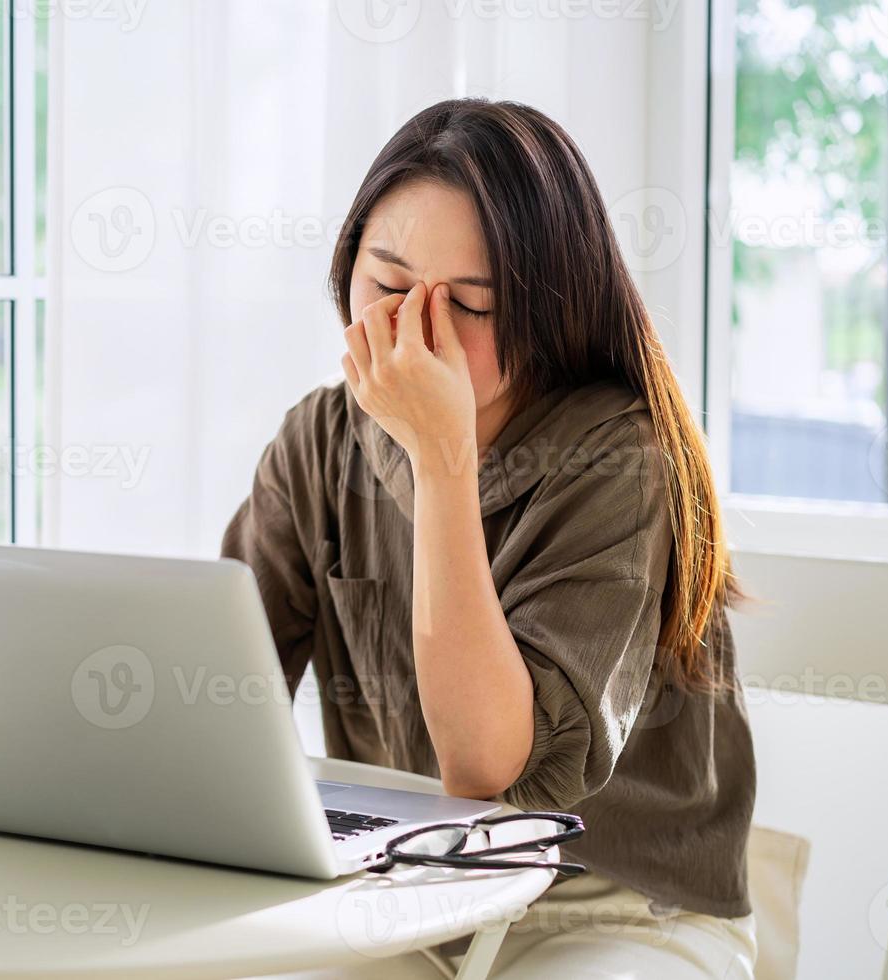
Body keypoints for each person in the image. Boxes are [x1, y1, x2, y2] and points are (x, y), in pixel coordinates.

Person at [222, 99, 757, 978]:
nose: (414, 332)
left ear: (553, 316)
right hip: (406, 898)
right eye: (387, 286)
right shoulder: (319, 440)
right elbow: (220, 695)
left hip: (610, 908)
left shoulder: (622, 457)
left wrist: (441, 457)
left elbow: (486, 763)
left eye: (470, 305)